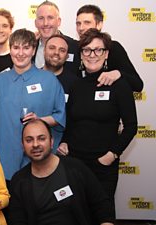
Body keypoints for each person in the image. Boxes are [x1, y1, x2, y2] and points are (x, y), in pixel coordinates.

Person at [58, 29, 138, 216]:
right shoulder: (76, 85)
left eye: (98, 50)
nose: (92, 55)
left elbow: (131, 126)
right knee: (76, 213)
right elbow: (70, 121)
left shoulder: (119, 84)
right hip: (75, 163)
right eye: (87, 50)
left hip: (103, 165)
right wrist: (64, 141)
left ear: (106, 53)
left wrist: (112, 155)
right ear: (81, 54)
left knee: (102, 214)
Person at [9, 119, 114, 225]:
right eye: (29, 140)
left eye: (41, 138)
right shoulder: (19, 181)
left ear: (51, 142)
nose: (35, 144)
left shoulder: (76, 168)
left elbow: (102, 207)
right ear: (23, 145)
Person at [0, 28, 65, 182]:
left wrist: (40, 120)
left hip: (38, 161)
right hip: (5, 160)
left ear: (33, 50)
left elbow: (60, 117)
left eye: (26, 48)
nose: (20, 53)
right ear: (10, 49)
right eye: (16, 47)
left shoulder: (49, 80)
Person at [75, 4, 143, 92]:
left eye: (87, 22)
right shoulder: (74, 48)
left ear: (99, 25)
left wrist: (118, 74)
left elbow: (138, 85)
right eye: (78, 23)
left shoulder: (113, 47)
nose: (81, 28)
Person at [34, 1, 80, 74]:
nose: (45, 23)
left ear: (58, 21)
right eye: (41, 18)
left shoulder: (75, 47)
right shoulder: (29, 47)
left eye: (50, 18)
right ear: (36, 23)